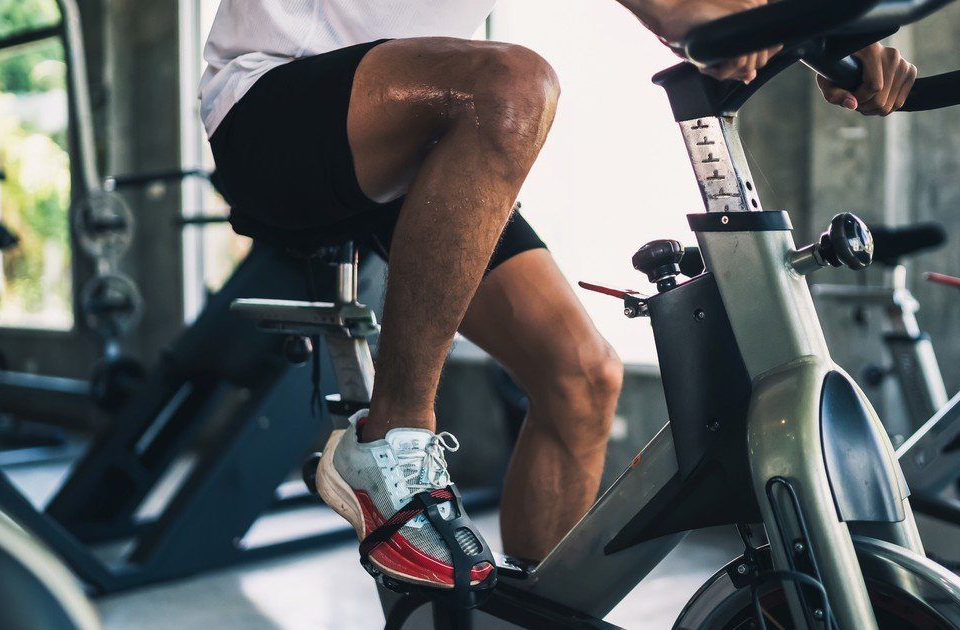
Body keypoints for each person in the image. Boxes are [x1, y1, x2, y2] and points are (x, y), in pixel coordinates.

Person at [200, 0, 917, 589]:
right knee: (512, 84)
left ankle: (544, 607)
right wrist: (785, 22)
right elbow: (678, 9)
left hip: (414, 137)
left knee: (583, 378)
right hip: (271, 107)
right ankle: (389, 438)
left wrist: (835, 35)